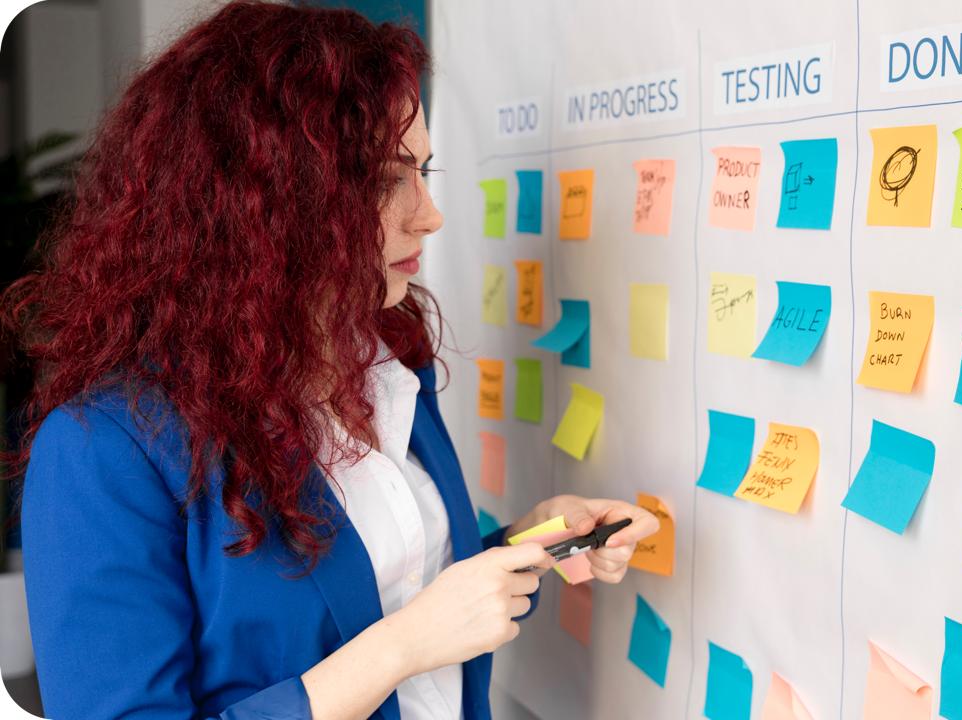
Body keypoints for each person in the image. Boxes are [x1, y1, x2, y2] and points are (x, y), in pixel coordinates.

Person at [0, 3, 658, 719]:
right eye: (384, 180)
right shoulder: (103, 451)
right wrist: (399, 648)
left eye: (424, 169)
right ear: (263, 205)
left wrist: (530, 542)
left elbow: (397, 586)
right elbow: (403, 633)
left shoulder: (387, 365)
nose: (429, 213)